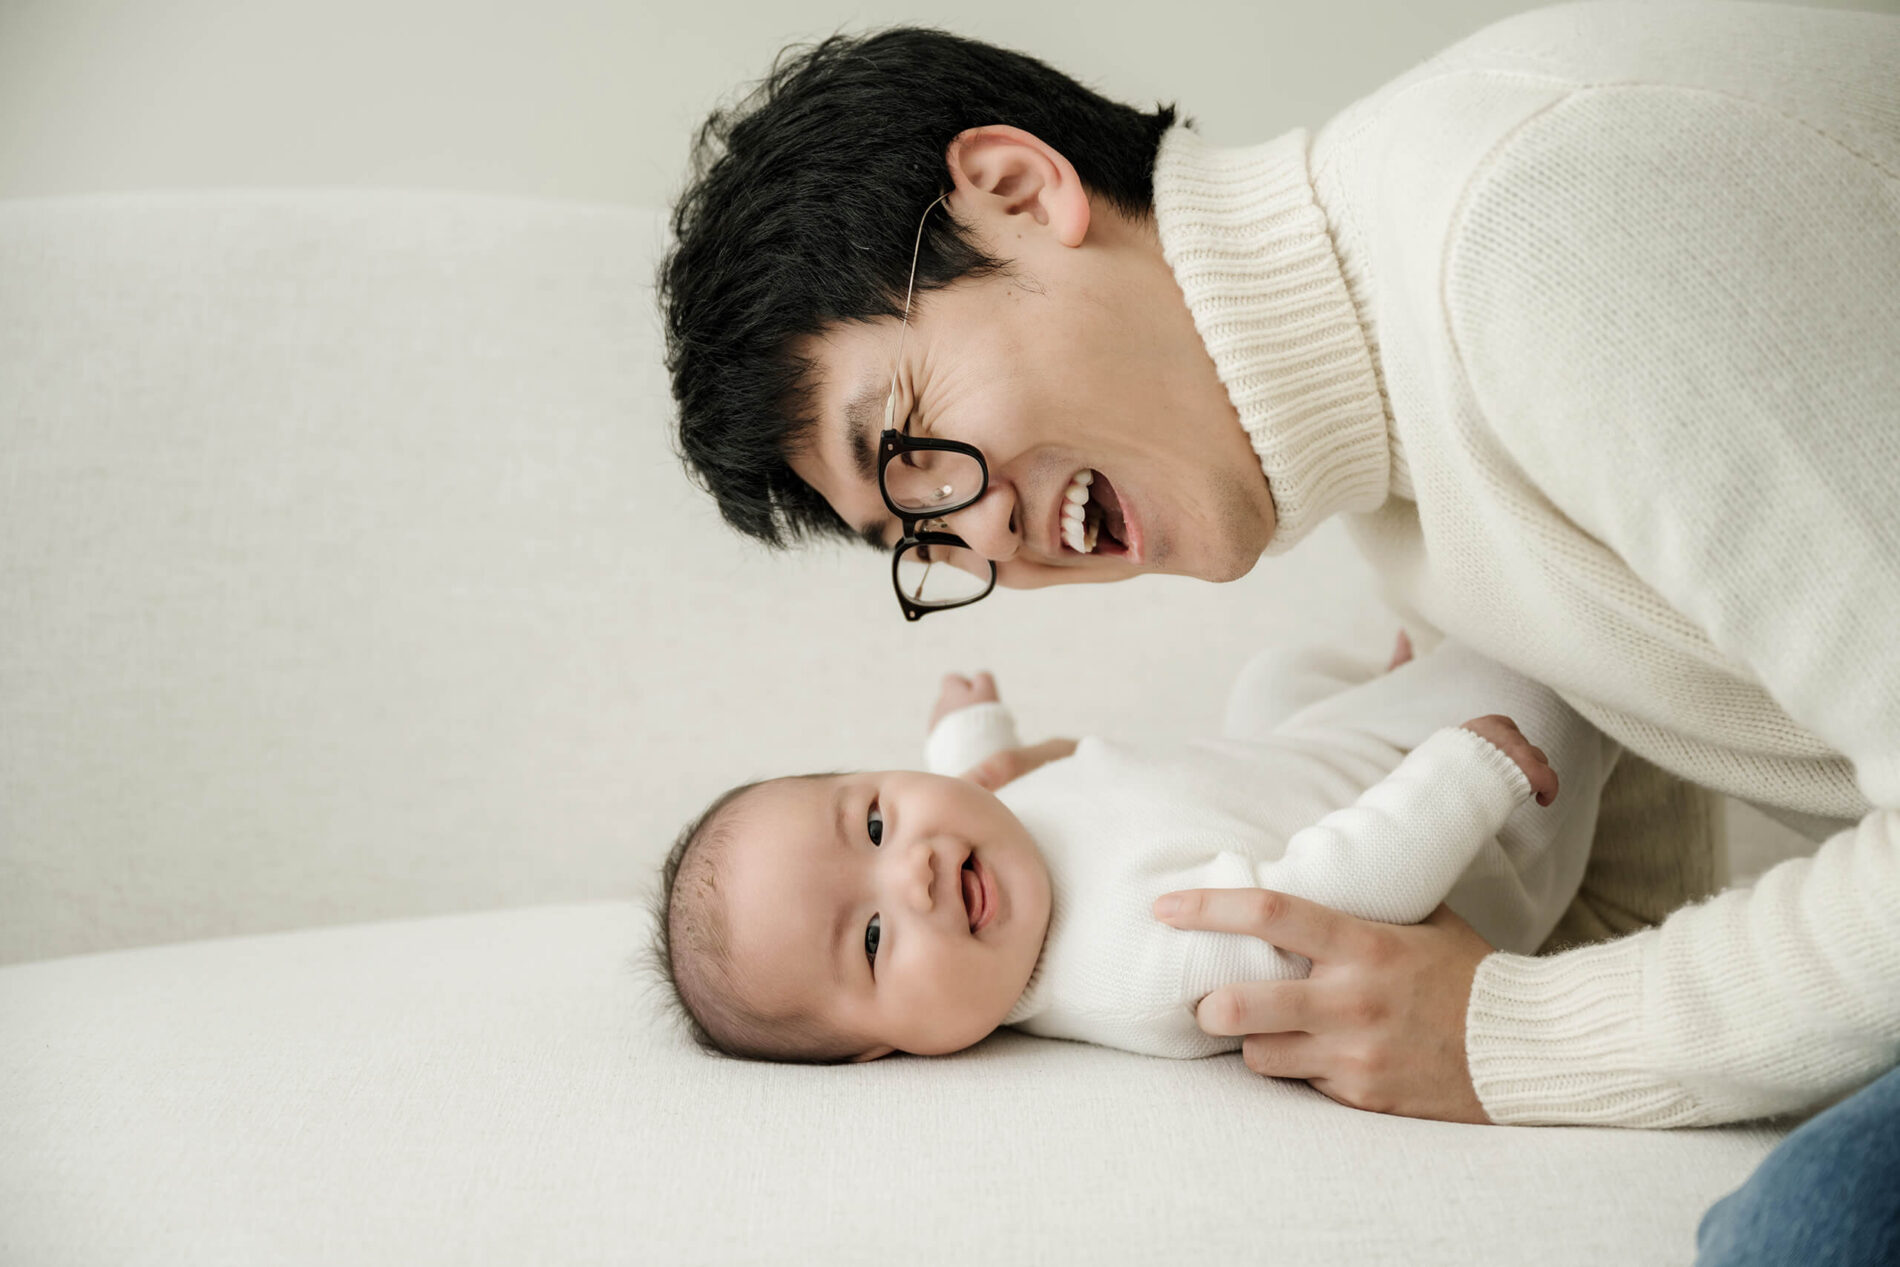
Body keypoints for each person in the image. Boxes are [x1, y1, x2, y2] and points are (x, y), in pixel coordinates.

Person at [658, 2, 1899, 1258]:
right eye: (920, 533)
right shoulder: (1402, 498)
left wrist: (1511, 1037)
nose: (983, 536)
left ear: (1018, 193)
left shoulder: (1530, 238)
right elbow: (1621, 792)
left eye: (914, 444)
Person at [656, 642, 1609, 1063]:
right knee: (1543, 682)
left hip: (1308, 754)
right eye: (871, 940)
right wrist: (1465, 776)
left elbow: (970, 784)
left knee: (1271, 676)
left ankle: (1386, 678)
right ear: (885, 1049)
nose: (913, 871)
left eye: (871, 821)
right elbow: (1332, 900)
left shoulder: (978, 837)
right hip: (1466, 845)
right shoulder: (1134, 966)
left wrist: (965, 730)